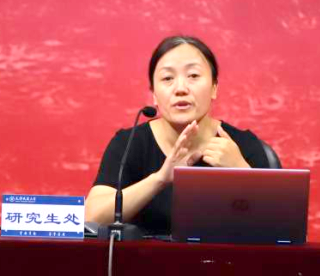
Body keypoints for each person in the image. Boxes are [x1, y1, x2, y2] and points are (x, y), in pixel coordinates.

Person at [85, 35, 272, 235]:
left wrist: (241, 172)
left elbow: (279, 227)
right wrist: (159, 179)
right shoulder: (130, 144)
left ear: (214, 88)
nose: (181, 89)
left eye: (193, 75)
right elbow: (91, 217)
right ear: (154, 94)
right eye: (167, 78)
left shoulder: (243, 145)